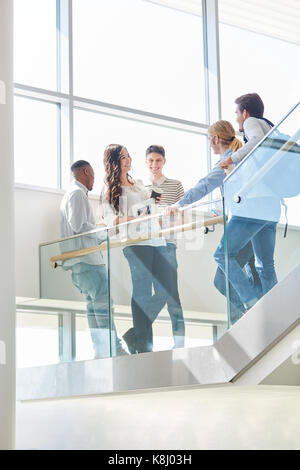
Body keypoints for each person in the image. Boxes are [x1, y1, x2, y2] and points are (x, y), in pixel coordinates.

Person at [165, 120, 262, 324]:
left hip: (243, 224)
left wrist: (179, 204)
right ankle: (254, 315)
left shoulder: (226, 162)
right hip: (254, 222)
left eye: (210, 138)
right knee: (252, 274)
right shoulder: (241, 156)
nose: (209, 143)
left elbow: (204, 186)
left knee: (222, 280)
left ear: (216, 139)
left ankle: (248, 317)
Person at [100, 144, 169, 354]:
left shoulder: (138, 183)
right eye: (122, 157)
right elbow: (111, 219)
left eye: (129, 156)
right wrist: (135, 217)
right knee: (142, 292)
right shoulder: (110, 189)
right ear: (113, 161)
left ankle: (136, 333)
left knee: (166, 290)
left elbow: (148, 210)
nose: (128, 160)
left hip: (155, 239)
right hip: (135, 242)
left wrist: (151, 202)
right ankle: (144, 346)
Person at [214, 93, 280, 311]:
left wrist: (230, 159)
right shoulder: (270, 126)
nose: (236, 119)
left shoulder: (252, 122)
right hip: (272, 206)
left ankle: (251, 305)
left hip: (256, 205)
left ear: (245, 112)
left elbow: (255, 143)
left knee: (222, 255)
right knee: (265, 266)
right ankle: (274, 311)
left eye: (236, 113)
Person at [60, 160, 126, 359]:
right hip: (87, 259)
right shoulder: (77, 193)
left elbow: (79, 225)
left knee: (93, 306)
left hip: (78, 261)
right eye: (94, 177)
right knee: (103, 304)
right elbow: (80, 227)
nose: (94, 181)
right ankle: (114, 350)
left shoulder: (71, 195)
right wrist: (104, 232)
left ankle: (101, 350)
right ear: (86, 172)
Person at [145, 144, 185, 347]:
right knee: (161, 292)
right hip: (149, 245)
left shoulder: (175, 185)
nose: (154, 164)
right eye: (151, 160)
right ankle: (142, 338)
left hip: (167, 244)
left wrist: (165, 221)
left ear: (164, 161)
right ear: (146, 162)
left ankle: (178, 343)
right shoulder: (141, 188)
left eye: (158, 160)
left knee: (171, 294)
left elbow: (182, 215)